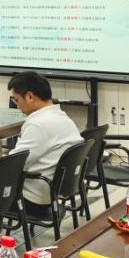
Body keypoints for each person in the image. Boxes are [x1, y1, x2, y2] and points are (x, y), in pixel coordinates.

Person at [8, 71, 83, 218]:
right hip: (54, 192)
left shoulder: (38, 124)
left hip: (32, 200)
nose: (17, 106)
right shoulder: (63, 118)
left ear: (30, 97)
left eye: (17, 100)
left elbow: (13, 165)